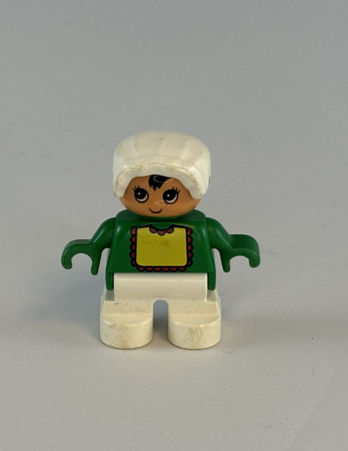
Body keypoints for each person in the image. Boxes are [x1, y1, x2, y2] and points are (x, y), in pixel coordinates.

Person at [62, 131, 260, 349]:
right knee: (126, 323)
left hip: (192, 287)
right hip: (128, 287)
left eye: (169, 196)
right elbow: (98, 241)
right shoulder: (119, 226)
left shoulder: (202, 227)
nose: (156, 204)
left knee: (194, 324)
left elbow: (225, 241)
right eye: (141, 195)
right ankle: (128, 313)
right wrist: (90, 248)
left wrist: (233, 248)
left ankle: (192, 314)